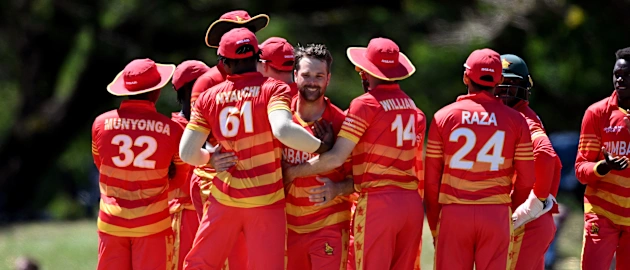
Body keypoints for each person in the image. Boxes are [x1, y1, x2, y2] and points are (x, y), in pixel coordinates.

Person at [179, 28, 331, 270]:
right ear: (257, 58)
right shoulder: (274, 89)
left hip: (224, 200)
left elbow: (186, 153)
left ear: (224, 64)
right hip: (266, 202)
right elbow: (283, 130)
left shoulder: (208, 97)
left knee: (201, 265)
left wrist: (209, 159)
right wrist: (321, 146)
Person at [283, 37, 425, 270]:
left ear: (366, 71)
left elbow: (338, 157)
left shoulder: (363, 106)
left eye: (319, 76)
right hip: (410, 203)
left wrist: (292, 172)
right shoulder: (413, 108)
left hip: (379, 203)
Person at [424, 49, 542, 270]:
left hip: (454, 214)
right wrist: (508, 210)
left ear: (465, 77)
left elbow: (431, 183)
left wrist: (434, 223)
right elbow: (527, 180)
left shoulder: (443, 117)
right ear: (498, 79)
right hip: (496, 215)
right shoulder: (517, 121)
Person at [189, 10, 269, 270]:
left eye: (250, 32)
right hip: (216, 181)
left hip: (256, 182)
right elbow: (198, 139)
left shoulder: (264, 77)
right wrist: (211, 157)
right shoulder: (207, 83)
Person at [91, 58, 189, 269]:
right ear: (157, 92)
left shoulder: (100, 124)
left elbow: (101, 165)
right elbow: (181, 176)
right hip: (153, 224)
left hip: (111, 223)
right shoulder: (172, 130)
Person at [495, 54, 561, 270]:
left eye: (512, 83)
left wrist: (532, 206)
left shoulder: (522, 118)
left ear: (524, 86)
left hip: (526, 224)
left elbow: (547, 155)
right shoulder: (511, 114)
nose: (505, 88)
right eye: (502, 81)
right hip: (531, 223)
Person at [575, 47, 630, 270]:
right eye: (617, 74)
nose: (620, 79)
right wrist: (603, 167)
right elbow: (580, 170)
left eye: (627, 75)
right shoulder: (597, 113)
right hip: (601, 214)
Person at [168, 60, 209, 270]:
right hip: (185, 216)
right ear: (186, 90)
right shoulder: (172, 128)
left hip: (215, 213)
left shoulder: (216, 121)